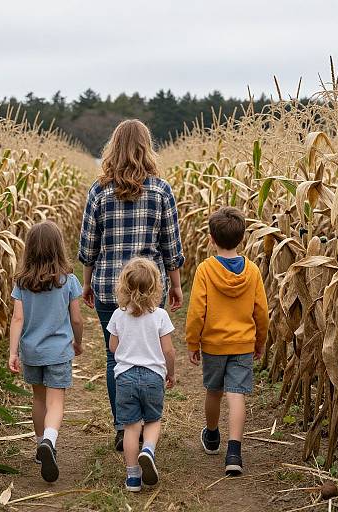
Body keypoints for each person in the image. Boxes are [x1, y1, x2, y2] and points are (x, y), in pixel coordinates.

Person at [78, 119, 184, 451]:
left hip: (111, 285)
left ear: (114, 147)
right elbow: (172, 245)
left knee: (116, 357)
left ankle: (124, 428)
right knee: (150, 352)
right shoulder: (161, 189)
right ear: (146, 147)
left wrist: (87, 283)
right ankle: (146, 425)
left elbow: (88, 245)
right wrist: (176, 285)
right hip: (151, 287)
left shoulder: (99, 190)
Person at [185, 207, 269, 476]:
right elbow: (262, 311)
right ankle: (234, 453)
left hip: (214, 344)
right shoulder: (253, 271)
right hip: (243, 343)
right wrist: (260, 341)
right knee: (236, 396)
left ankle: (212, 436)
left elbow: (197, 310)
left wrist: (192, 342)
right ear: (242, 239)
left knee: (214, 392)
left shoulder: (206, 270)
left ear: (211, 238)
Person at [8, 220, 83, 483]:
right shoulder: (69, 281)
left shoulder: (22, 283)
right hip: (59, 352)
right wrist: (78, 342)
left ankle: (41, 445)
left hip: (32, 352)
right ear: (58, 248)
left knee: (38, 400)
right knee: (56, 402)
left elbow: (17, 319)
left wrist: (12, 352)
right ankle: (50, 441)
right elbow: (76, 319)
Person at [107, 258, 176, 491]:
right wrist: (171, 373)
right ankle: (148, 450)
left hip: (125, 377)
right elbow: (168, 350)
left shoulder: (118, 315)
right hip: (153, 377)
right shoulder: (160, 316)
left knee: (130, 427)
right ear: (156, 287)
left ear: (123, 287)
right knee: (153, 420)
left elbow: (113, 347)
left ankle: (133, 477)